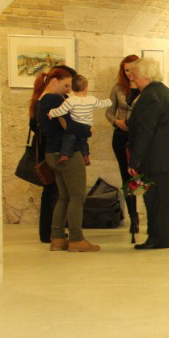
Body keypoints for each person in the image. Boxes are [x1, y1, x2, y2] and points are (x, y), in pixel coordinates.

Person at [36, 67, 99, 252]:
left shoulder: (41, 100)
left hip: (51, 153)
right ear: (54, 81)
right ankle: (76, 239)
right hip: (67, 154)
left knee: (63, 196)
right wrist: (87, 130)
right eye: (66, 86)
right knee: (77, 196)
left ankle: (57, 238)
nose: (68, 90)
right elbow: (68, 125)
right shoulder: (55, 99)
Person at [127, 58, 169, 251]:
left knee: (155, 200)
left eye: (134, 74)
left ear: (145, 75)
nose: (132, 77)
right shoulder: (164, 91)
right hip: (168, 156)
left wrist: (134, 160)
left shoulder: (149, 96)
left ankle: (158, 238)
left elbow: (145, 131)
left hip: (156, 157)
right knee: (165, 200)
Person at [105, 55, 141, 234]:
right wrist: (116, 122)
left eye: (132, 70)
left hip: (139, 137)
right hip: (120, 136)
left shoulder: (145, 88)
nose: (129, 74)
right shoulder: (118, 88)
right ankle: (133, 216)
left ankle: (148, 212)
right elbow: (109, 111)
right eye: (126, 70)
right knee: (126, 177)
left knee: (141, 177)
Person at [46, 74, 111, 164]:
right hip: (86, 126)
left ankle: (65, 155)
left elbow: (61, 111)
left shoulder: (70, 101)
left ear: (72, 88)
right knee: (83, 140)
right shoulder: (92, 99)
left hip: (75, 126)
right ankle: (86, 156)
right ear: (86, 89)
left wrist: (51, 113)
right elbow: (102, 104)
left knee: (69, 137)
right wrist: (110, 101)